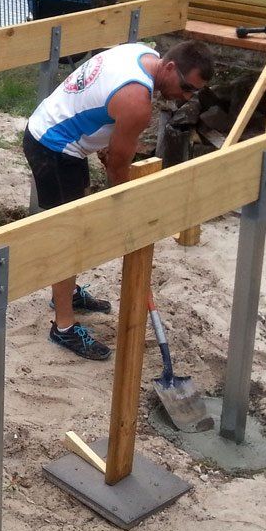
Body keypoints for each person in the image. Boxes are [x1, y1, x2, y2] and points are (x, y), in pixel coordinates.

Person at [23, 39, 213, 360]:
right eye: (186, 87)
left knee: (78, 223)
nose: (186, 97)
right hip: (53, 147)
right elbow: (117, 169)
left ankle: (66, 292)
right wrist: (129, 210)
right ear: (169, 67)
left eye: (194, 92)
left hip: (54, 129)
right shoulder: (136, 102)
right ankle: (63, 326)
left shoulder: (142, 54)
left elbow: (96, 99)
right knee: (70, 236)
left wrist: (105, 149)